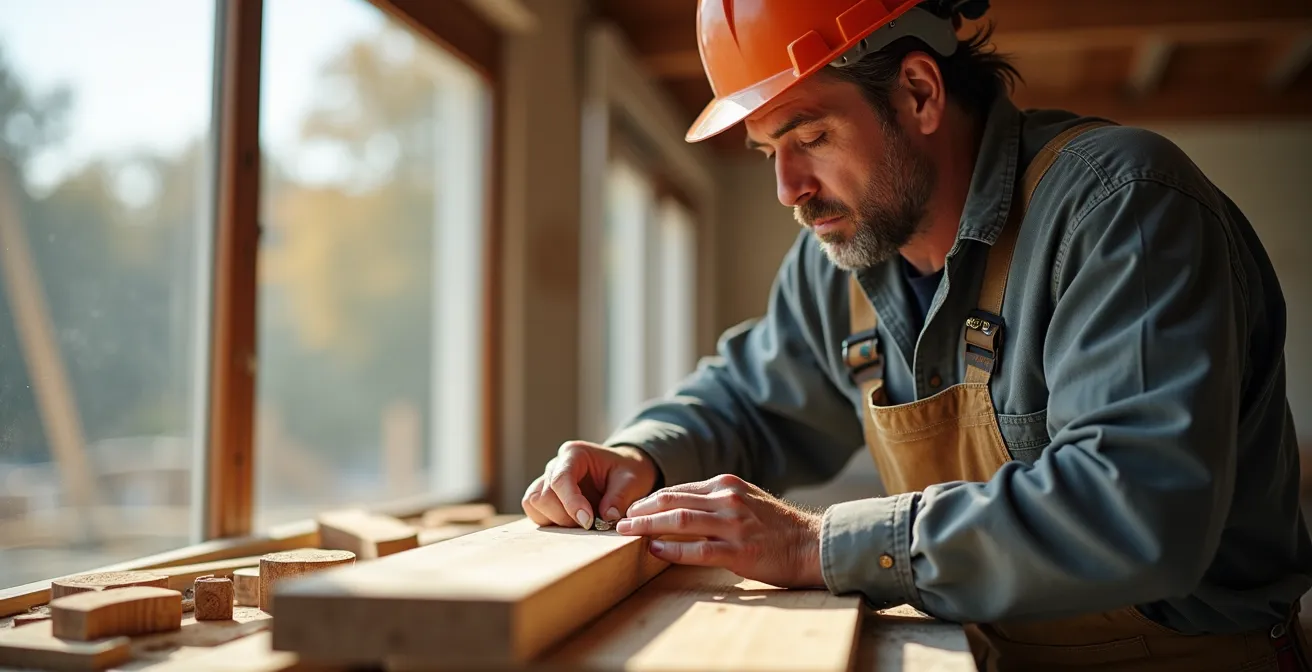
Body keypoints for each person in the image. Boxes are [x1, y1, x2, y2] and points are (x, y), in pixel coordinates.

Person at [521, 0, 1312, 668]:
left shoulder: (1121, 209)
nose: (788, 189)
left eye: (811, 137)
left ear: (919, 92)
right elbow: (752, 400)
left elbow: (1136, 511)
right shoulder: (841, 257)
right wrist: (641, 455)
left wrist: (815, 545)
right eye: (768, 152)